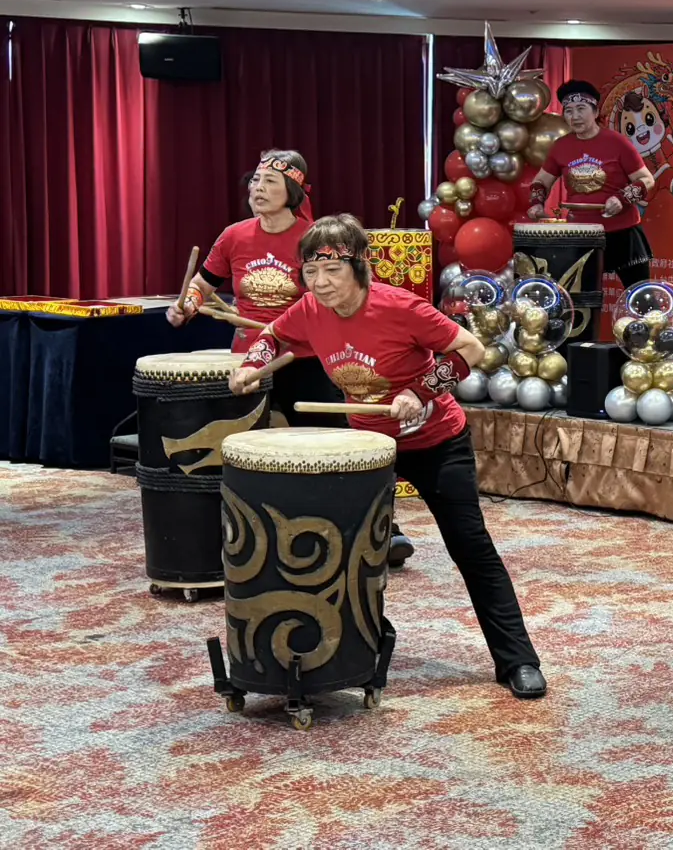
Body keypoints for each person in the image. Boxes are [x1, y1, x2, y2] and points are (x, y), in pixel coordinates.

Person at [227, 214, 547, 699]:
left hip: (438, 442)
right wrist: (253, 365)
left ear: (359, 266)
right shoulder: (310, 309)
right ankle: (345, 656)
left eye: (331, 271)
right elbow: (272, 334)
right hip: (370, 448)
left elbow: (470, 348)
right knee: (347, 552)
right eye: (310, 272)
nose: (320, 283)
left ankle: (518, 660)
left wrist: (420, 391)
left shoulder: (398, 306)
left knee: (471, 547)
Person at [167, 150, 415, 566]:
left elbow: (340, 293)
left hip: (306, 357)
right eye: (255, 181)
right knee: (248, 450)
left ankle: (382, 530)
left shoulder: (312, 239)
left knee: (339, 445)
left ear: (293, 193)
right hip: (250, 359)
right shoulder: (234, 236)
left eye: (270, 183)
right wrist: (187, 305)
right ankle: (260, 538)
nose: (258, 189)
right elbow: (204, 282)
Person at [527, 79, 659, 287]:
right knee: (583, 295)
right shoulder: (561, 146)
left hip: (622, 231)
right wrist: (536, 203)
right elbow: (541, 181)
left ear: (595, 112)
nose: (575, 116)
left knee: (639, 293)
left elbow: (646, 179)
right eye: (569, 111)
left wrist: (622, 199)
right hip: (581, 233)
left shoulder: (617, 142)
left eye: (581, 109)